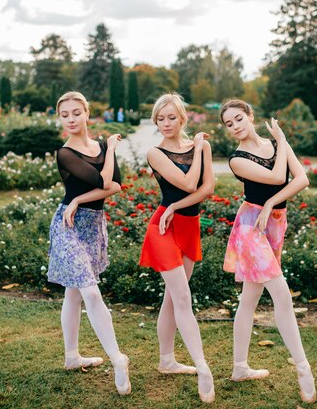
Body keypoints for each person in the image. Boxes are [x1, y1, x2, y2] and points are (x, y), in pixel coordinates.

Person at [220, 99, 316, 404]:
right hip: (251, 226)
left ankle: (239, 368)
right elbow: (277, 178)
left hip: (274, 223)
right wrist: (283, 141)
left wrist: (274, 203)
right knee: (281, 294)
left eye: (238, 119)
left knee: (250, 298)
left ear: (250, 116)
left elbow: (301, 179)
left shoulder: (275, 145)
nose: (235, 126)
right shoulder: (237, 159)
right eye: (228, 124)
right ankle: (303, 369)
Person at [47, 91, 131, 395]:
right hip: (68, 225)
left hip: (92, 225)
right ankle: (118, 359)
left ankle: (72, 356)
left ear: (86, 113)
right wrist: (111, 150)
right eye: (64, 114)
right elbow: (102, 182)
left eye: (75, 113)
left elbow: (116, 187)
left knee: (74, 292)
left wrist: (79, 198)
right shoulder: (65, 152)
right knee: (90, 293)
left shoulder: (100, 145)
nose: (70, 119)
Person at [138, 93, 216, 403]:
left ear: (182, 118)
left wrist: (177, 207)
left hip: (187, 225)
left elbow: (207, 188)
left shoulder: (202, 146)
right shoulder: (155, 153)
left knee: (173, 297)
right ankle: (203, 367)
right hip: (163, 228)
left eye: (172, 117)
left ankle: (167, 360)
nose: (166, 123)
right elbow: (188, 182)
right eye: (160, 118)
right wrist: (197, 149)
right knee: (183, 297)